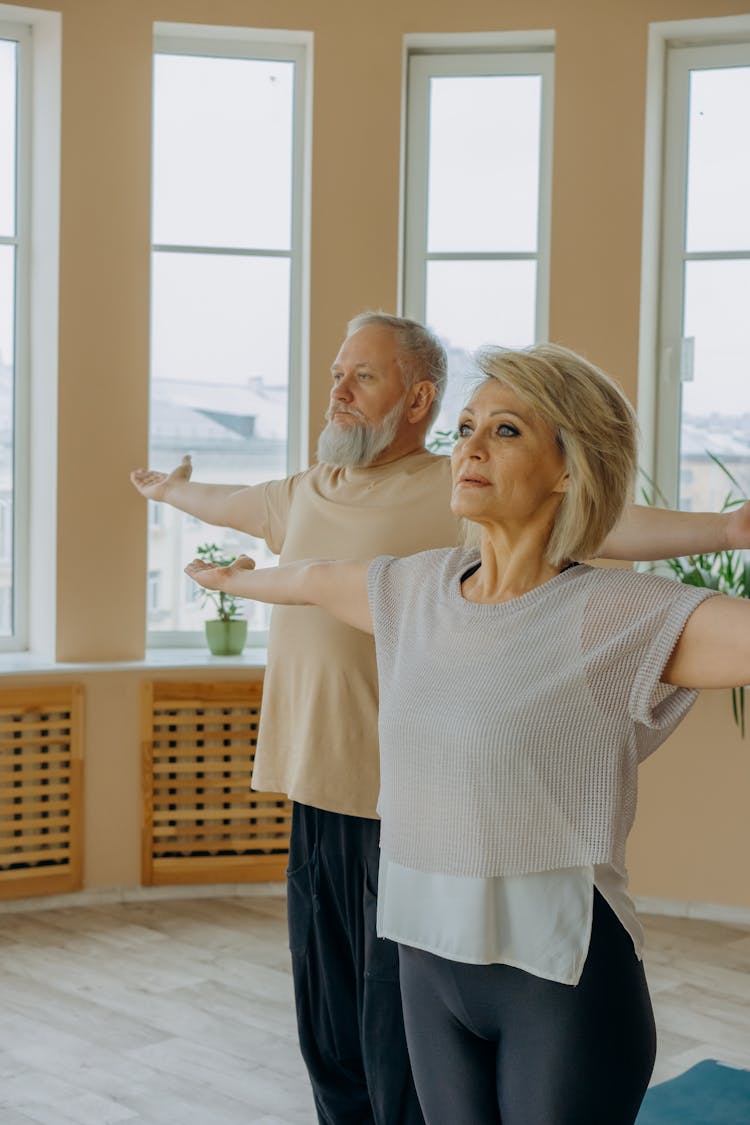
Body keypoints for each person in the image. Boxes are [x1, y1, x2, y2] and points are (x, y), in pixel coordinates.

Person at [133, 314, 750, 1125]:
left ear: (569, 469)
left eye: (505, 430)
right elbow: (314, 577)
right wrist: (235, 576)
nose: (470, 447)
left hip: (557, 977)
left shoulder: (618, 611)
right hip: (429, 969)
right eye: (466, 428)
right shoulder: (414, 588)